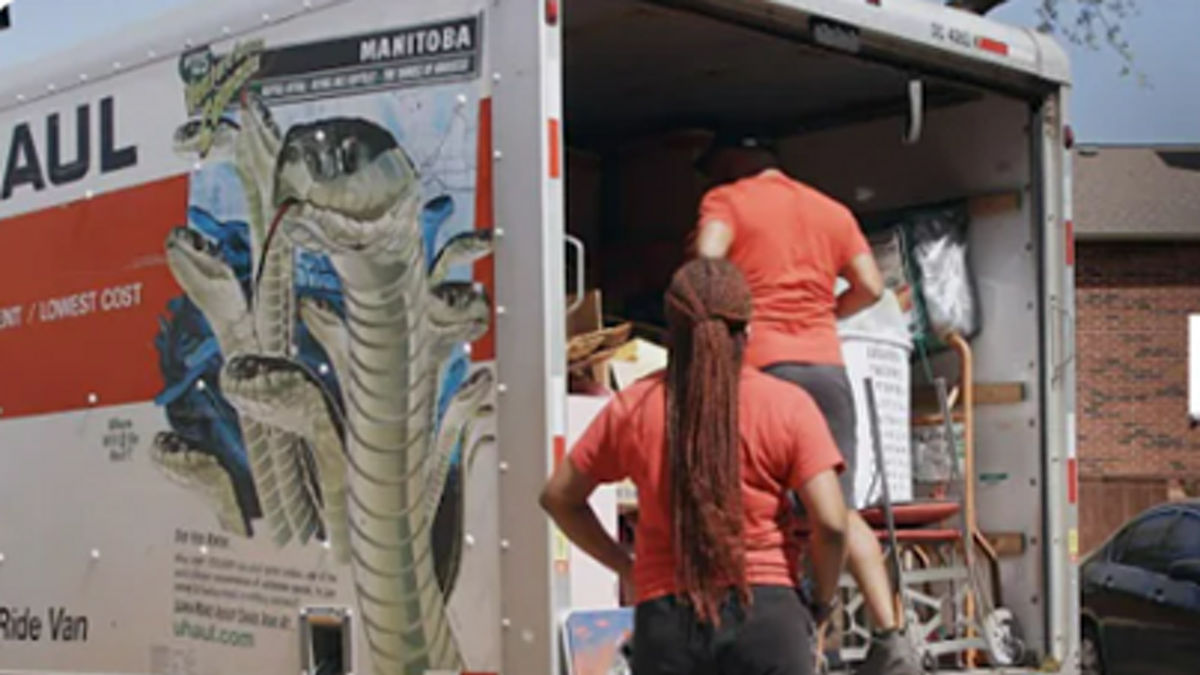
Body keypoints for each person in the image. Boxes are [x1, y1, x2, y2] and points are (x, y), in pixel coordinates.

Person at [541, 259, 849, 675]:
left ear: (671, 332)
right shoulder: (787, 406)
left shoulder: (635, 406)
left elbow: (559, 497)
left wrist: (626, 567)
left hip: (667, 620)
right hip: (768, 617)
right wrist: (821, 601)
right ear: (748, 328)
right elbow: (830, 522)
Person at [693, 136, 923, 675]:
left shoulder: (728, 202)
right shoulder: (832, 211)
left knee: (751, 509)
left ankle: (759, 637)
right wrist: (822, 317)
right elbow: (870, 285)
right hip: (826, 368)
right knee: (836, 512)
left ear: (732, 164)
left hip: (758, 371)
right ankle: (892, 641)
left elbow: (706, 264)